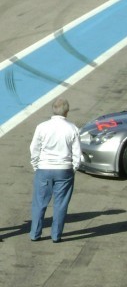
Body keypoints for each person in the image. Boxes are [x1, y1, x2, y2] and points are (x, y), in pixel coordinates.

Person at [29, 98, 81, 243]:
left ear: (53, 109)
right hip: (64, 170)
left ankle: (35, 233)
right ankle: (56, 235)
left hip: (44, 168)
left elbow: (34, 149)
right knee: (61, 204)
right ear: (67, 111)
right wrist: (73, 168)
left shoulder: (42, 126)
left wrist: (36, 166)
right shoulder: (72, 128)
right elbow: (77, 154)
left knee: (39, 203)